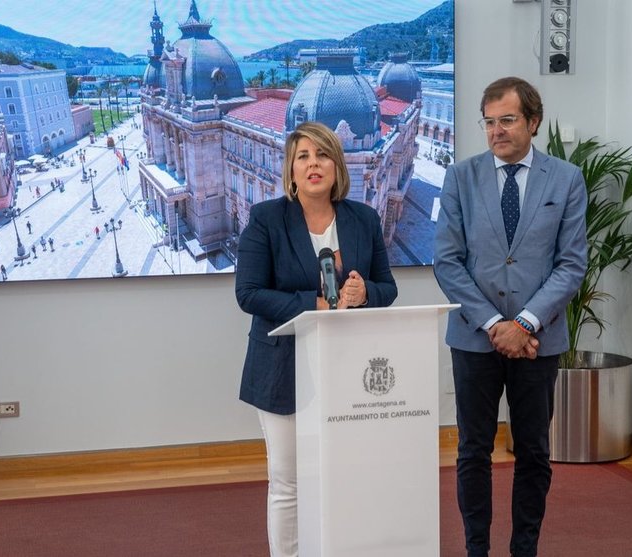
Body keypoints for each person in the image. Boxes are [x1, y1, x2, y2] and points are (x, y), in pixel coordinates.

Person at [433, 76, 588, 557]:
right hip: (474, 340)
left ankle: (525, 548)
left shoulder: (565, 179)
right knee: (472, 452)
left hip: (538, 341)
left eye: (507, 120)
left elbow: (571, 264)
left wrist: (523, 323)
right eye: (489, 122)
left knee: (534, 454)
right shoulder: (461, 177)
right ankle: (476, 548)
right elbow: (447, 261)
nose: (497, 131)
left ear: (533, 122)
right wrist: (494, 324)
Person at [235, 121, 398, 557]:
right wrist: (316, 304)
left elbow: (388, 288)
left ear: (337, 166)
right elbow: (248, 294)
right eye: (303, 156)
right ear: (291, 170)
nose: (313, 164)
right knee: (288, 481)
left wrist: (365, 294)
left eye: (322, 155)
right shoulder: (266, 218)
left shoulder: (364, 218)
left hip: (348, 369)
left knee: (343, 475)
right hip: (282, 368)